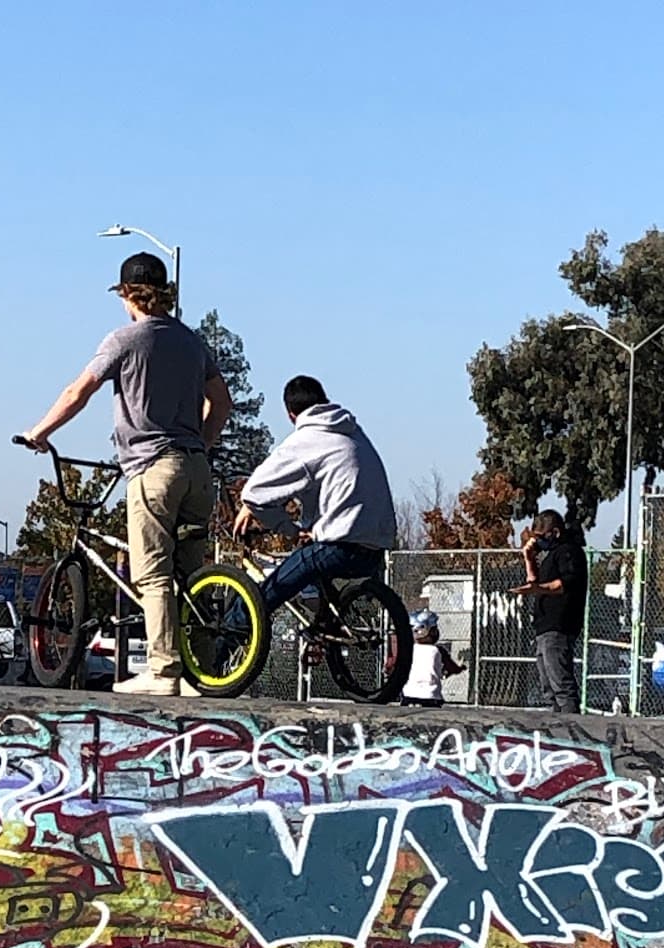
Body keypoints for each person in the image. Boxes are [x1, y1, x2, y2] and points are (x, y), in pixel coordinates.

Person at [20, 252, 233, 696]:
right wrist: (201, 443)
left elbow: (79, 390)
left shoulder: (124, 340)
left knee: (153, 575)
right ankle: (201, 672)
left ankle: (164, 671)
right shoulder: (193, 343)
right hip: (196, 469)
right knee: (190, 575)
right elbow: (222, 401)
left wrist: (39, 432)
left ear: (128, 295)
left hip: (154, 468)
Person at [232, 376, 396, 611]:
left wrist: (289, 530)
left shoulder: (308, 439)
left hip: (339, 548)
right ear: (324, 400)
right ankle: (327, 634)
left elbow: (253, 492)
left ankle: (220, 643)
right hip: (376, 550)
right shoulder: (353, 432)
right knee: (319, 596)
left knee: (265, 594)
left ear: (290, 415)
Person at [510, 509, 588, 714]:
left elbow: (566, 584)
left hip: (559, 625)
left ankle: (573, 729)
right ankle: (555, 730)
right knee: (548, 688)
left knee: (561, 685)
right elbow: (533, 582)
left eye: (541, 537)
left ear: (554, 532)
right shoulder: (549, 557)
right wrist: (528, 559)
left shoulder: (569, 552)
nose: (538, 542)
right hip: (544, 627)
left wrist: (539, 589)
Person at [401, 610, 465, 707]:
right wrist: (461, 667)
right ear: (426, 631)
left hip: (408, 695)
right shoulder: (438, 650)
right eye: (434, 629)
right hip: (431, 696)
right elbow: (453, 668)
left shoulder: (407, 650)